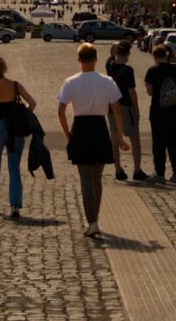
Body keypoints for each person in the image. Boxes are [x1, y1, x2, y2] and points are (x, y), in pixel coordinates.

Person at [58, 43, 129, 238]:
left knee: (85, 180)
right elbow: (116, 110)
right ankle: (94, 218)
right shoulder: (107, 82)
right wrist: (120, 137)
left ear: (79, 60)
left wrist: (67, 135)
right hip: (99, 128)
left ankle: (92, 221)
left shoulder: (70, 82)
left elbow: (61, 111)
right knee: (97, 179)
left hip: (80, 128)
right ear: (95, 59)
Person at [0, 55, 36, 218]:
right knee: (14, 167)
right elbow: (32, 103)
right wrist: (24, 116)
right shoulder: (15, 85)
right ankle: (15, 204)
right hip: (14, 129)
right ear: (4, 68)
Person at [144, 43, 176, 185]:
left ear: (155, 56)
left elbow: (149, 92)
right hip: (174, 110)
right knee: (175, 141)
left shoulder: (152, 71)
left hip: (157, 111)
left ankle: (160, 173)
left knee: (159, 142)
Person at [107, 40, 147, 182]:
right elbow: (132, 92)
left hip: (112, 106)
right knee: (134, 138)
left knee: (114, 139)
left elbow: (112, 49)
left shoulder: (110, 66)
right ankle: (137, 169)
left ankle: (118, 170)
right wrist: (136, 109)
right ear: (128, 54)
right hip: (126, 106)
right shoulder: (128, 70)